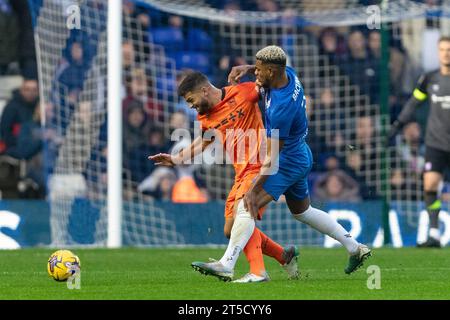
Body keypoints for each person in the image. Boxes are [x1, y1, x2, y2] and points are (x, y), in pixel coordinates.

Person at [211, 45, 370, 277]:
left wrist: (254, 188)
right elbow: (274, 68)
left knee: (246, 204)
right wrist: (246, 68)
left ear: (272, 72)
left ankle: (228, 265)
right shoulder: (288, 74)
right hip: (301, 154)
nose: (256, 73)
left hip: (286, 161)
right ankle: (355, 248)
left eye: (259, 70)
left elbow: (273, 156)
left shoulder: (281, 108)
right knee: (302, 212)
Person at [149, 71, 299, 283]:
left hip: (261, 164)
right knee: (231, 230)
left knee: (243, 212)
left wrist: (250, 67)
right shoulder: (205, 116)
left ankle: (256, 272)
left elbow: (272, 83)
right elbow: (204, 141)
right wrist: (176, 159)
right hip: (241, 172)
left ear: (203, 90)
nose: (191, 106)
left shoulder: (243, 92)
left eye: (191, 100)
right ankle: (284, 255)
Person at [388, 36, 450, 248]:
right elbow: (414, 103)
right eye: (442, 49)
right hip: (436, 143)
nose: (446, 53)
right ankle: (434, 234)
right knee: (430, 185)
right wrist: (397, 125)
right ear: (438, 51)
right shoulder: (429, 78)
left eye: (449, 49)